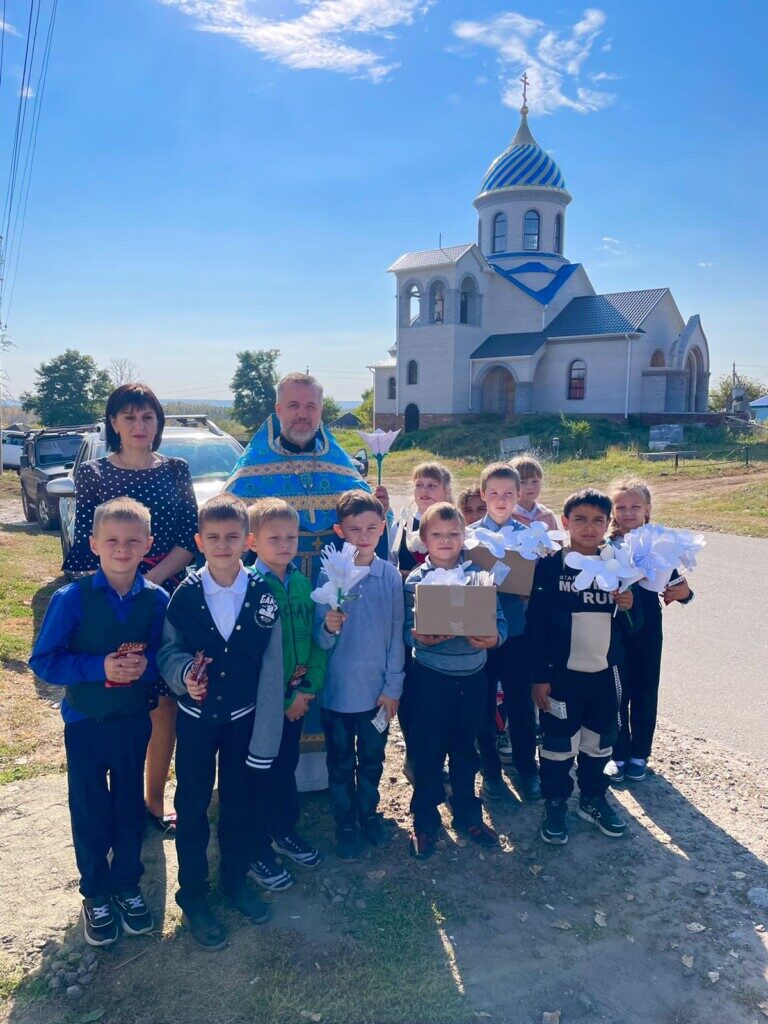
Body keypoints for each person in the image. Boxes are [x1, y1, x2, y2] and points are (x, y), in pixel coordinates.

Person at [29, 498, 169, 947]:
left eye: (132, 541)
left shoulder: (157, 600)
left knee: (128, 803)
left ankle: (127, 883)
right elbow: (44, 661)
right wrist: (98, 667)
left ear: (148, 544)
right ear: (93, 544)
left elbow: (164, 656)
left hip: (133, 721)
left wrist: (145, 668)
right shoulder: (72, 599)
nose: (122, 549)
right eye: (111, 541)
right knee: (89, 806)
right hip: (86, 722)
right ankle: (95, 891)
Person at [63, 382, 199, 837]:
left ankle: (153, 802)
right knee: (120, 698)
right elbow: (88, 544)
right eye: (129, 417)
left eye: (148, 416)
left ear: (158, 423)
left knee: (164, 702)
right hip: (111, 599)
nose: (139, 425)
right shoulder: (93, 474)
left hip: (165, 598)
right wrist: (120, 589)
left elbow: (188, 540)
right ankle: (115, 804)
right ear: (114, 423)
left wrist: (147, 584)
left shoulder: (176, 470)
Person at [158, 494, 284, 950]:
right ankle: (194, 896)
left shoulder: (264, 595)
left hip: (243, 722)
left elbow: (272, 666)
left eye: (232, 536)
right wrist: (184, 676)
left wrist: (265, 738)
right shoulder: (186, 596)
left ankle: (234, 879)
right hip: (196, 722)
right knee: (192, 807)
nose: (223, 545)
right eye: (212, 537)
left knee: (238, 804)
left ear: (248, 541)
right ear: (199, 541)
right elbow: (168, 652)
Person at [527, 489, 641, 847]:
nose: (589, 527)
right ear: (565, 522)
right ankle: (556, 802)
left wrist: (629, 606)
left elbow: (636, 625)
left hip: (604, 675)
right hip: (561, 676)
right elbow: (536, 625)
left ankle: (592, 798)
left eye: (597, 520)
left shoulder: (619, 566)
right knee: (558, 744)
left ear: (608, 524)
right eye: (580, 519)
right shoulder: (549, 566)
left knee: (600, 742)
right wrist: (539, 676)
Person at [404, 502, 507, 860]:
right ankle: (425, 820)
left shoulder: (479, 576)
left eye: (453, 534)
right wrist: (421, 638)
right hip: (430, 679)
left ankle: (468, 815)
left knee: (465, 750)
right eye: (437, 534)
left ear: (464, 537)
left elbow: (500, 621)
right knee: (427, 752)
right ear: (424, 539)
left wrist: (494, 639)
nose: (445, 540)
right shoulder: (415, 581)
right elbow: (405, 629)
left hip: (473, 678)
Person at [226, 373, 390, 582]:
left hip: (339, 586)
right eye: (294, 405)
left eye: (310, 406)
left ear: (320, 411)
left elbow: (373, 528)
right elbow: (228, 531)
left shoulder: (338, 464)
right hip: (273, 587)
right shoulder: (252, 468)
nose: (302, 414)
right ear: (279, 410)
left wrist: (380, 509)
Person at [313, 491, 405, 861]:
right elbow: (319, 640)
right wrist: (329, 627)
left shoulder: (390, 576)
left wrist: (393, 686)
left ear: (382, 528)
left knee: (371, 759)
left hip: (375, 695)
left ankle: (367, 813)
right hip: (336, 694)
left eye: (371, 528)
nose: (363, 536)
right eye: (354, 529)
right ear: (340, 531)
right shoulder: (329, 575)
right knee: (339, 763)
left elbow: (396, 635)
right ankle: (345, 823)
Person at [246, 498, 327, 892]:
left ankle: (284, 830)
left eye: (291, 537)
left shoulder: (301, 583)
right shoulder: (248, 586)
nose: (284, 545)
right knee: (259, 775)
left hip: (297, 699)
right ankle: (256, 846)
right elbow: (251, 657)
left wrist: (306, 690)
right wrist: (282, 700)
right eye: (273, 538)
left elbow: (314, 643)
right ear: (252, 542)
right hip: (263, 706)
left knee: (286, 766)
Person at [607, 479, 693, 783]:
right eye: (620, 507)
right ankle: (618, 752)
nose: (628, 512)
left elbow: (679, 586)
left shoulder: (661, 545)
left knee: (645, 688)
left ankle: (639, 754)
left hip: (649, 629)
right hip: (615, 628)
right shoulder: (608, 547)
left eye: (635, 506)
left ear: (647, 509)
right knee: (617, 690)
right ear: (613, 511)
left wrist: (683, 593)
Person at [473, 463, 539, 803]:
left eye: (509, 494)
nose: (501, 500)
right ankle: (490, 772)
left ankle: (528, 770)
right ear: (483, 494)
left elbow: (537, 583)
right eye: (494, 493)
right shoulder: (469, 537)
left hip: (516, 632)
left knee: (520, 704)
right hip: (480, 636)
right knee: (482, 705)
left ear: (519, 495)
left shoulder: (529, 537)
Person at [393, 462, 452, 580]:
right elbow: (389, 568)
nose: (424, 490)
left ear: (446, 491)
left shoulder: (455, 525)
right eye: (419, 485)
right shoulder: (402, 526)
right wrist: (411, 574)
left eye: (432, 485)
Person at [508, 456, 558, 531]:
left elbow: (558, 538)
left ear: (541, 482)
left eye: (535, 481)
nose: (530, 487)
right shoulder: (507, 517)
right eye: (523, 482)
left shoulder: (548, 515)